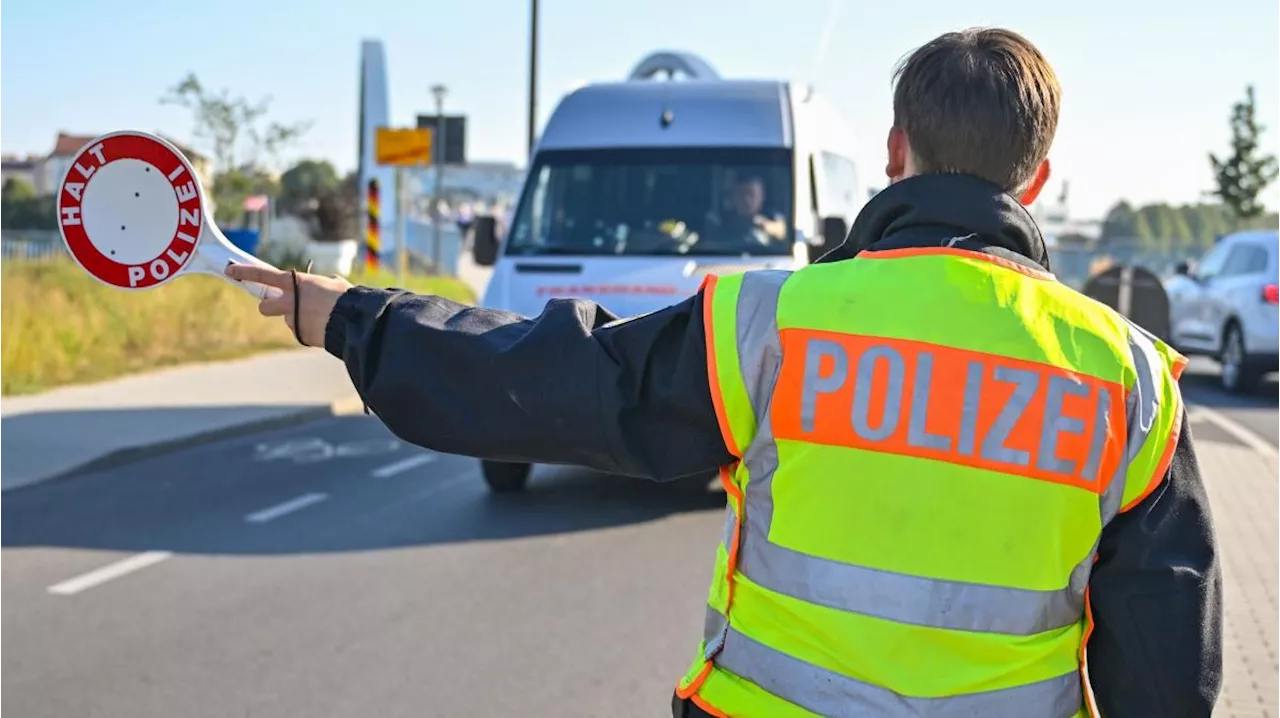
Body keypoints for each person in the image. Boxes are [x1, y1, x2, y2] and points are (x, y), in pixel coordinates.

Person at [228, 27, 1223, 718]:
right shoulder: (1131, 382)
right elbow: (1164, 670)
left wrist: (350, 316)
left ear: (893, 152)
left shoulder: (771, 322)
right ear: (1035, 177)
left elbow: (551, 379)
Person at [704, 174, 788, 246]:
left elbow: (789, 234)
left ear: (762, 196)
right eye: (741, 194)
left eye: (752, 194)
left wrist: (768, 227)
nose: (746, 200)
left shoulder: (774, 218)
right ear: (733, 198)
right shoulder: (721, 223)